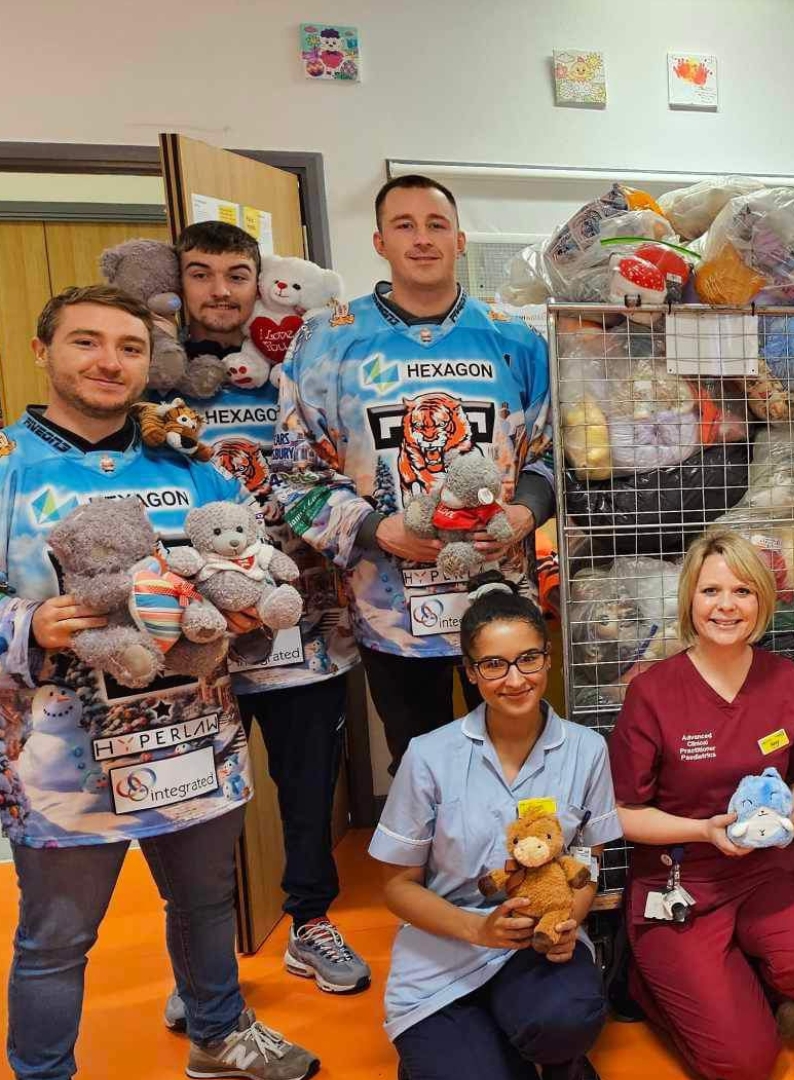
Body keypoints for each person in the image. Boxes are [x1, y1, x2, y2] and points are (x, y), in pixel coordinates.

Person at [0, 286, 318, 1080]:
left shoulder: (195, 470)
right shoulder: (7, 468)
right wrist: (24, 625)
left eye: (130, 347)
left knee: (208, 902)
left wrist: (248, 616)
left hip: (192, 733)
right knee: (56, 937)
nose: (109, 361)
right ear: (43, 352)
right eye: (86, 342)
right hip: (64, 755)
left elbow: (250, 560)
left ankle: (218, 1035)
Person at [157, 221, 370, 1013]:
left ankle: (310, 921)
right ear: (176, 285)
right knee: (191, 803)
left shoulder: (300, 373)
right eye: (201, 274)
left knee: (308, 791)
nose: (219, 291)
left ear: (262, 281)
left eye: (236, 274)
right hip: (192, 641)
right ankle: (201, 967)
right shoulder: (152, 383)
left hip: (301, 630)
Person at [273, 174, 554, 769]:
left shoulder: (517, 337)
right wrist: (380, 530)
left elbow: (552, 453)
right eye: (404, 225)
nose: (421, 239)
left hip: (502, 593)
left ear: (460, 240)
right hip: (392, 609)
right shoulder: (326, 340)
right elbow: (293, 477)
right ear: (380, 241)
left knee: (523, 757)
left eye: (436, 225)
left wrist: (525, 511)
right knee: (423, 768)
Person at [611, 530, 794, 1080]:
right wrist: (703, 832)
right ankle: (656, 978)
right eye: (710, 591)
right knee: (744, 1064)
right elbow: (624, 814)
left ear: (762, 601)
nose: (726, 605)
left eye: (743, 591)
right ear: (689, 602)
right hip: (682, 881)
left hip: (768, 871)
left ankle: (738, 969)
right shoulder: (652, 692)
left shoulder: (785, 680)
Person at [370, 573, 617, 1080]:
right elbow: (396, 887)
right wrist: (477, 929)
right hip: (446, 945)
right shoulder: (430, 756)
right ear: (471, 672)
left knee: (568, 1020)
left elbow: (590, 858)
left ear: (547, 658)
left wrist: (569, 920)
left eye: (529, 658)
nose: (515, 678)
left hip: (538, 944)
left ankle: (547, 1048)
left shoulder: (586, 749)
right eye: (494, 664)